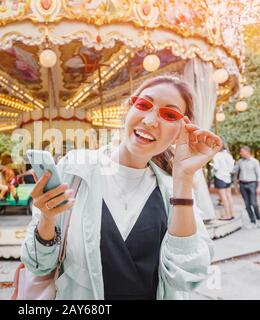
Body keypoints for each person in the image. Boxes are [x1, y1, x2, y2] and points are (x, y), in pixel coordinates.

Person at [21, 75, 221, 300]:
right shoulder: (75, 169)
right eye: (144, 105)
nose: (150, 120)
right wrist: (46, 219)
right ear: (129, 108)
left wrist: (183, 177)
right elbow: (38, 264)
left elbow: (185, 278)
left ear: (183, 129)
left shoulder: (173, 191)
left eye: (169, 114)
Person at [233, 146, 260, 229]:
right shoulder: (240, 161)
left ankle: (259, 219)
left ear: (247, 152)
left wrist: (259, 187)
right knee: (247, 205)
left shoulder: (255, 162)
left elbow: (259, 175)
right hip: (242, 185)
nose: (240, 153)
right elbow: (234, 171)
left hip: (252, 184)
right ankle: (252, 221)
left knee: (254, 203)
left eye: (241, 152)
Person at [212, 142, 235, 220]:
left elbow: (216, 167)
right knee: (229, 196)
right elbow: (232, 169)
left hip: (220, 177)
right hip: (228, 178)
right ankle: (232, 214)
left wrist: (211, 164)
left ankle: (227, 215)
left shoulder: (217, 155)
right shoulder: (229, 155)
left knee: (223, 198)